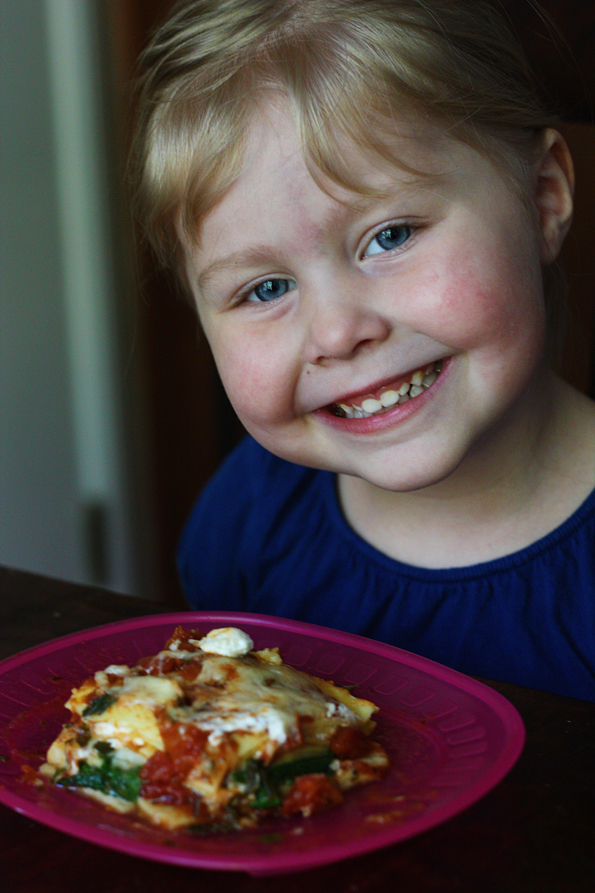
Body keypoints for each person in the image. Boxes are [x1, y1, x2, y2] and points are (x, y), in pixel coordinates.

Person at [132, 0, 595, 701]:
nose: (336, 331)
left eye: (390, 236)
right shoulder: (246, 518)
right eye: (264, 288)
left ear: (541, 199)